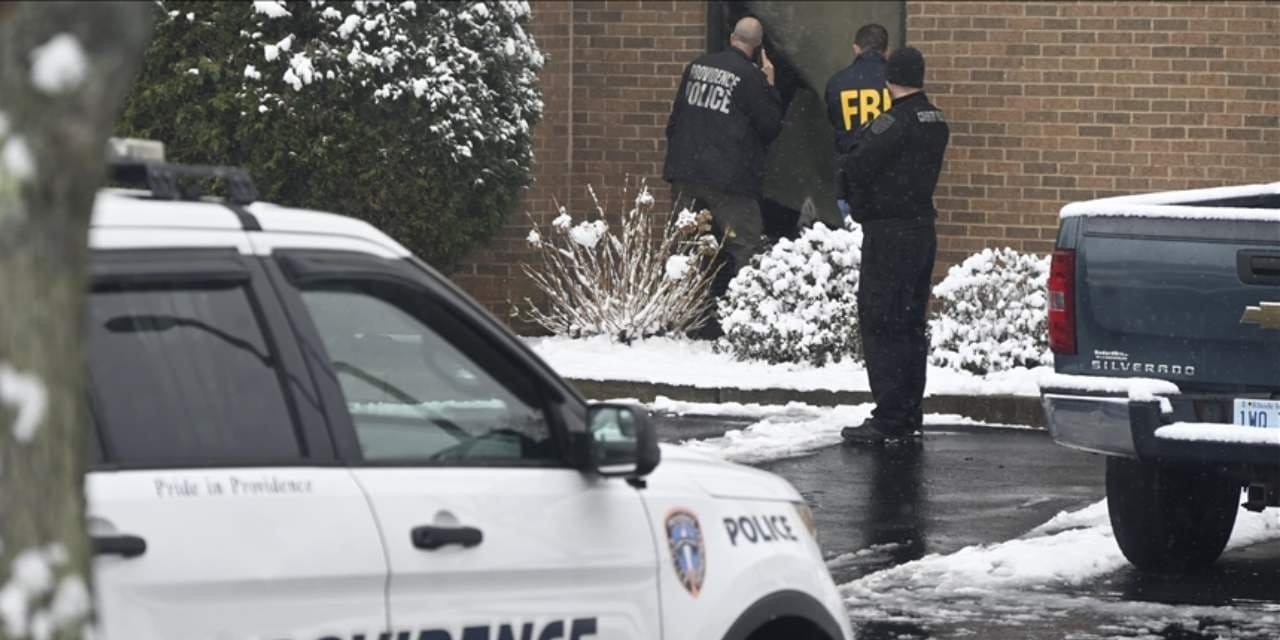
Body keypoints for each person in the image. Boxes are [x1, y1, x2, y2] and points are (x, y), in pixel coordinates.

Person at [838, 47, 950, 445]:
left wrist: (856, 201)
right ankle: (908, 411)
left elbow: (856, 165)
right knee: (910, 324)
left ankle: (889, 416)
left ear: (890, 79)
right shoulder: (935, 119)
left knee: (881, 321)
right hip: (921, 229)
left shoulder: (892, 123)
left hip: (889, 233)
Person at [664, 16, 784, 338]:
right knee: (746, 248)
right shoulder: (752, 77)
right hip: (729, 180)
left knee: (685, 248)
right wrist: (770, 85)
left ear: (732, 37)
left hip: (686, 173)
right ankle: (747, 322)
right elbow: (771, 126)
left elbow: (674, 122)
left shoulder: (696, 67)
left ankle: (683, 317)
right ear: (758, 48)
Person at [825, 23, 892, 223]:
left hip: (850, 178)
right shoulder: (896, 83)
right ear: (887, 50)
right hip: (888, 177)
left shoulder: (837, 82)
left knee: (851, 238)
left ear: (856, 48)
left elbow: (835, 122)